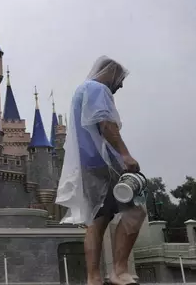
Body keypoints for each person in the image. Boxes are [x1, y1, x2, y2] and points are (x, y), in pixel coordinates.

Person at [55, 56, 146, 285]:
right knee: (135, 211)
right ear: (111, 72)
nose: (120, 85)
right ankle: (119, 271)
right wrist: (125, 155)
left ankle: (93, 278)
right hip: (107, 164)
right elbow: (105, 124)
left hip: (87, 166)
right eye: (120, 79)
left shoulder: (80, 91)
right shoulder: (98, 89)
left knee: (97, 221)